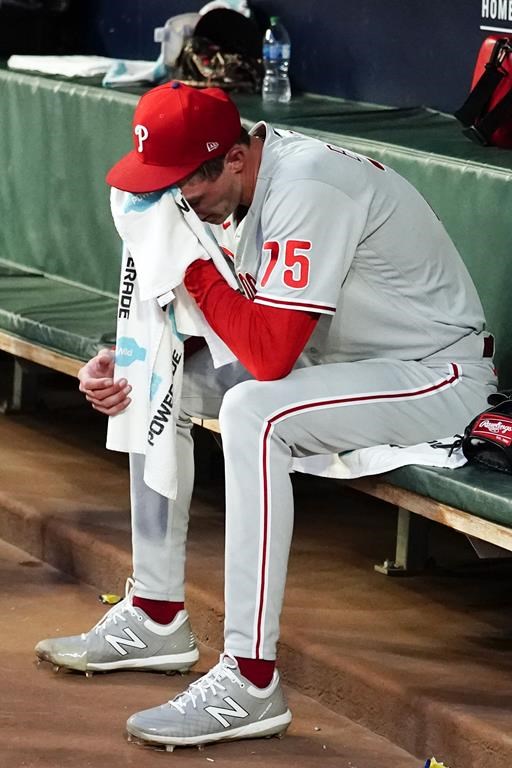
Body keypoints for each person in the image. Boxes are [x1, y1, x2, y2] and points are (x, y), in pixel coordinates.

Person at [35, 81, 497, 749]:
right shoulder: (225, 192)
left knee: (257, 411)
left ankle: (250, 680)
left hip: (434, 377)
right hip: (341, 369)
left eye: (185, 184)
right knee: (151, 378)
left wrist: (186, 261)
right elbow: (219, 326)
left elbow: (269, 355)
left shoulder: (309, 186)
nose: (176, 199)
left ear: (231, 157)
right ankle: (156, 612)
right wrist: (126, 358)